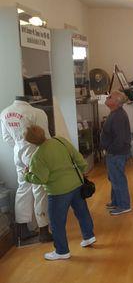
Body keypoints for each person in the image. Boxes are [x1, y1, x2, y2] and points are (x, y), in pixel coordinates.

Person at [24, 125, 95, 260]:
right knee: (82, 212)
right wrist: (83, 169)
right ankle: (89, 236)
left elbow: (41, 178)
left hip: (58, 192)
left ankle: (62, 251)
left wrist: (26, 175)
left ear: (31, 142)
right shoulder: (60, 141)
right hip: (76, 184)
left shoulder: (37, 156)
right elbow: (77, 156)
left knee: (57, 222)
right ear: (43, 132)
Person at [0, 97, 52, 242]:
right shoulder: (37, 112)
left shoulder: (4, 113)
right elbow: (45, 137)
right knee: (40, 190)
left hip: (18, 152)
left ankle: (22, 229)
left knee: (23, 188)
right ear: (28, 100)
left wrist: (20, 147)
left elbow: (6, 138)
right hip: (35, 153)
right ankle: (43, 230)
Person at [101, 90, 132, 215]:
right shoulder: (115, 113)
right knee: (114, 178)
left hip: (116, 153)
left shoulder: (118, 116)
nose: (107, 97)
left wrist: (110, 150)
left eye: (110, 97)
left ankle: (124, 205)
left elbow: (120, 139)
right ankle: (116, 202)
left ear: (116, 102)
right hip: (114, 152)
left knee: (118, 179)